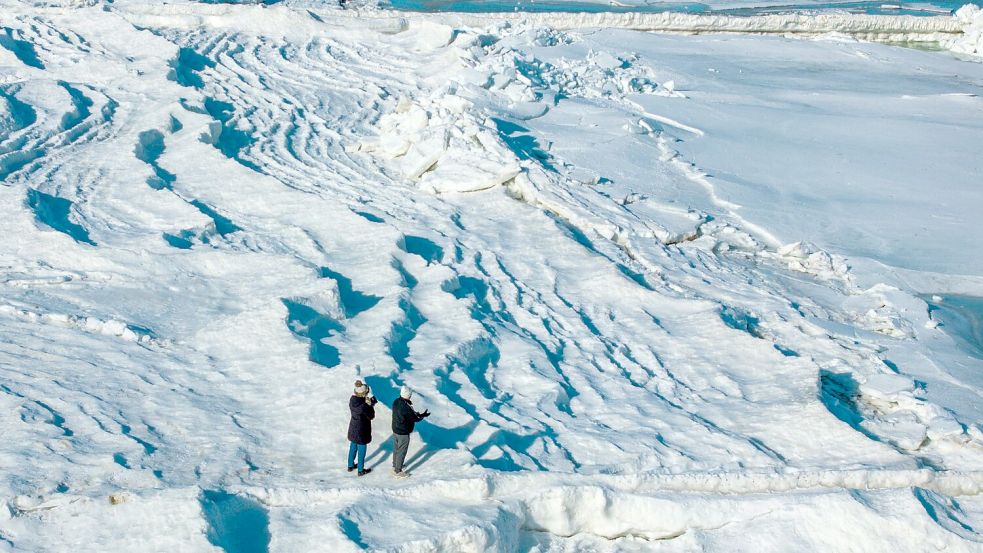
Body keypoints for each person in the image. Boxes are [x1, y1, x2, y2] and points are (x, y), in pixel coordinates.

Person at [391, 385, 430, 478]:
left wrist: (419, 414)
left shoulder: (396, 401)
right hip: (403, 432)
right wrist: (422, 416)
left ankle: (395, 465)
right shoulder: (405, 406)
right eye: (410, 394)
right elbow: (414, 418)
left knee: (396, 448)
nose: (411, 396)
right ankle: (398, 471)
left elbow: (408, 414)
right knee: (402, 451)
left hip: (396, 429)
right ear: (407, 395)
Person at [347, 380, 377, 476]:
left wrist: (366, 402)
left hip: (353, 427)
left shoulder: (352, 400)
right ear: (364, 393)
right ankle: (360, 470)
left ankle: (350, 465)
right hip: (362, 430)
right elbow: (371, 416)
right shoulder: (364, 406)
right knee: (362, 449)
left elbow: (359, 406)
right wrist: (370, 405)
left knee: (353, 446)